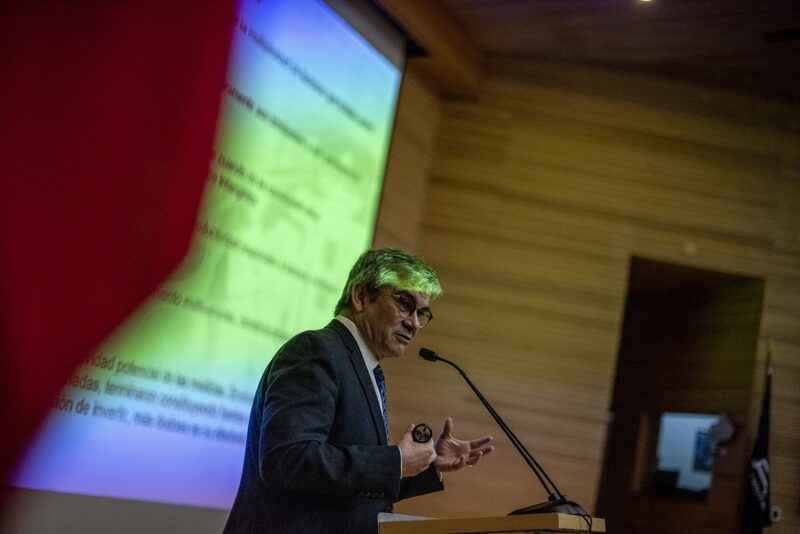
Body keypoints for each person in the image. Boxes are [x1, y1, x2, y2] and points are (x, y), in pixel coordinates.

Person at [224, 248, 494, 533]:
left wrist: (427, 462)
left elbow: (353, 488)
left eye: (421, 313)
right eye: (404, 303)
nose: (414, 323)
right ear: (361, 296)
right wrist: (395, 461)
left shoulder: (365, 368)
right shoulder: (315, 351)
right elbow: (288, 460)